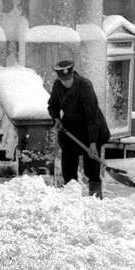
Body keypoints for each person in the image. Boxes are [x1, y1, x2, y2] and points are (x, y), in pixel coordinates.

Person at [47, 59, 111, 198]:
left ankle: (95, 198)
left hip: (91, 129)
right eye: (63, 79)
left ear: (72, 75)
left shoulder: (85, 85)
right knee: (68, 168)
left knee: (91, 168)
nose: (66, 82)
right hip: (70, 130)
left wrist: (93, 143)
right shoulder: (58, 85)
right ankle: (71, 198)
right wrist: (56, 118)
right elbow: (53, 105)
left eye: (68, 79)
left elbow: (92, 116)